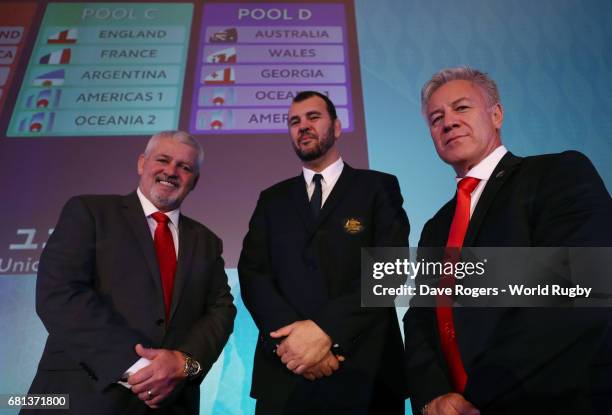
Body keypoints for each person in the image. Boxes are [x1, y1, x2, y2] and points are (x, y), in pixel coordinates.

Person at [403, 67, 612, 415]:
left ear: (496, 115)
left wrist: (480, 397)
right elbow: (419, 318)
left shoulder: (557, 174)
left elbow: (580, 288)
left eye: (462, 108)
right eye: (436, 117)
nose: (448, 122)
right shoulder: (436, 226)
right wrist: (434, 395)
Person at [24, 131, 236, 414]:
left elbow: (221, 310)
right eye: (163, 160)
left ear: (194, 180)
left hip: (169, 402)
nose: (171, 171)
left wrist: (183, 362)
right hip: (81, 397)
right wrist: (138, 369)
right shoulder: (90, 212)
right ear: (141, 163)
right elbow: (59, 294)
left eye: (184, 167)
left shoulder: (207, 241)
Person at [238, 91, 409, 414]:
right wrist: (294, 343)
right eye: (294, 122)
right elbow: (253, 273)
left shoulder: (378, 187)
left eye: (313, 117)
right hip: (285, 374)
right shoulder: (271, 200)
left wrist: (324, 332)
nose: (303, 126)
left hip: (367, 374)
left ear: (337, 126)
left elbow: (390, 268)